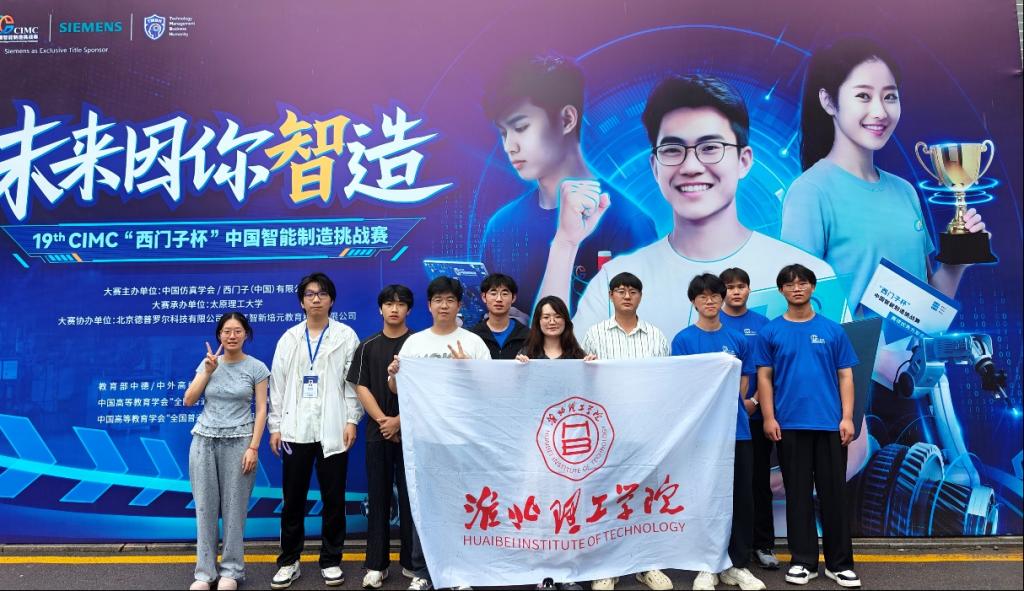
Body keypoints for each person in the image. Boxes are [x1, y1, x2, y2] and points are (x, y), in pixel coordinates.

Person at [558, 74, 846, 340]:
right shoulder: (614, 283)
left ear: (744, 161)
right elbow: (568, 372)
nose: (691, 167)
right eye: (673, 150)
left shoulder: (810, 277)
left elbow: (847, 371)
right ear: (655, 167)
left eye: (710, 148)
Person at [782, 38, 987, 311]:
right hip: (850, 343)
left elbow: (926, 307)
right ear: (828, 101)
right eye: (863, 96)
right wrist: (869, 339)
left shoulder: (905, 191)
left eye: (890, 96)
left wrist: (956, 263)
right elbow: (797, 310)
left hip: (916, 343)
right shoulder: (810, 192)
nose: (880, 112)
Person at [480, 53, 657, 311]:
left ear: (567, 120)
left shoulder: (626, 222)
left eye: (521, 128)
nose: (509, 146)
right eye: (503, 133)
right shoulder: (500, 227)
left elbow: (644, 321)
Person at [755, 265, 861, 588]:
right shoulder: (771, 332)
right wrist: (769, 417)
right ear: (781, 291)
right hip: (789, 426)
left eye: (803, 283)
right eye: (790, 284)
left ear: (813, 288)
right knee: (798, 495)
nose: (797, 288)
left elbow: (846, 376)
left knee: (834, 495)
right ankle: (803, 562)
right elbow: (764, 378)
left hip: (830, 425)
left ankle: (839, 564)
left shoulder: (832, 330)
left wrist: (847, 417)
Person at [387, 276, 491, 591]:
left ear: (459, 305)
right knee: (426, 506)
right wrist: (393, 375)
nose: (443, 306)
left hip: (462, 438)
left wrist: (468, 368)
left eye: (450, 300)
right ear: (429, 305)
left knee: (462, 506)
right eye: (438, 300)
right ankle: (423, 572)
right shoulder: (415, 343)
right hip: (425, 438)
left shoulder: (473, 343)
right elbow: (397, 389)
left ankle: (461, 573)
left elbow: (490, 389)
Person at [269, 272, 364, 590]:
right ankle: (289, 561)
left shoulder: (346, 335)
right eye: (310, 294)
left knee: (333, 499)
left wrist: (351, 420)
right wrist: (275, 427)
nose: (316, 299)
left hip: (332, 429)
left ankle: (331, 560)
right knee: (293, 500)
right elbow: (278, 385)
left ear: (332, 300)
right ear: (301, 302)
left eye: (322, 293)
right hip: (295, 429)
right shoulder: (289, 338)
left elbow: (353, 383)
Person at [671, 275, 765, 591]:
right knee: (705, 497)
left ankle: (736, 565)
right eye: (702, 296)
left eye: (714, 295)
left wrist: (732, 406)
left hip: (737, 432)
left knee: (741, 498)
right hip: (702, 435)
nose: (709, 301)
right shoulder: (683, 340)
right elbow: (681, 385)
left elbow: (745, 380)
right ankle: (706, 564)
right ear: (693, 302)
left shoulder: (738, 339)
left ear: (721, 299)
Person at [579, 272, 670, 591]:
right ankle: (608, 566)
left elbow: (667, 382)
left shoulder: (656, 336)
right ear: (611, 296)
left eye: (632, 291)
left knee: (646, 497)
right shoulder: (594, 335)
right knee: (606, 496)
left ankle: (648, 564)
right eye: (620, 291)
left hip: (646, 430)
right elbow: (584, 382)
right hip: (608, 433)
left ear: (640, 296)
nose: (627, 296)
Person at [184, 312, 269, 591]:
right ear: (219, 335)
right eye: (226, 331)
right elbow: (188, 400)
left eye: (237, 331)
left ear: (246, 334)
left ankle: (231, 571)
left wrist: (253, 447)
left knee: (235, 510)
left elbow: (262, 410)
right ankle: (204, 573)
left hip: (240, 442)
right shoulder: (209, 363)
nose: (232, 336)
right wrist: (207, 371)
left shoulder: (257, 368)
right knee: (205, 508)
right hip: (204, 442)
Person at [515, 295, 592, 591]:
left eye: (557, 315)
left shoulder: (577, 356)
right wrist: (516, 371)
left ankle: (568, 572)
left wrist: (593, 370)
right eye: (546, 316)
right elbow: (514, 396)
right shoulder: (526, 355)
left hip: (570, 446)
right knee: (541, 505)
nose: (552, 321)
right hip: (535, 445)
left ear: (565, 321)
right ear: (538, 321)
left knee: (570, 505)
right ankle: (543, 572)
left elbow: (590, 396)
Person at [347, 285, 416, 589]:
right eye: (389, 304)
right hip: (378, 433)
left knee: (412, 499)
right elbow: (360, 386)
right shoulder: (367, 346)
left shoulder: (418, 344)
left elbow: (425, 390)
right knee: (378, 498)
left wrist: (400, 422)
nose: (394, 309)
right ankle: (377, 564)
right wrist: (383, 421)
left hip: (411, 433)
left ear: (409, 309)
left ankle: (412, 562)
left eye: (400, 304)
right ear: (380, 309)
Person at [717, 267, 777, 570]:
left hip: (753, 417)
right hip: (718, 422)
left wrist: (753, 402)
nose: (736, 292)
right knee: (722, 484)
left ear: (749, 290)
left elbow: (768, 371)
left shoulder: (762, 325)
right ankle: (722, 546)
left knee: (757, 483)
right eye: (730, 287)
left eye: (741, 286)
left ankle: (762, 544)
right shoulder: (713, 321)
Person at [468, 273, 531, 359]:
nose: (499, 299)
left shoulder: (527, 335)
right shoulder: (473, 335)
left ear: (513, 298)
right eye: (493, 293)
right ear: (484, 297)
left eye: (504, 294)